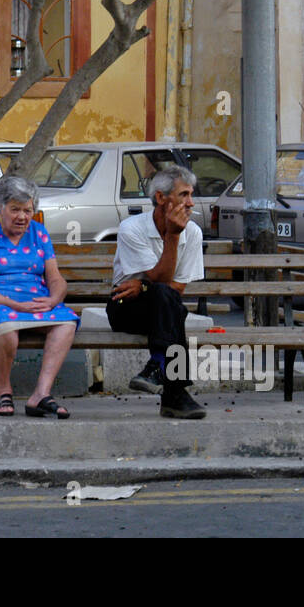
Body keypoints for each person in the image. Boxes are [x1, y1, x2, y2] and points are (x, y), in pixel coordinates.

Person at [0, 175, 80, 418]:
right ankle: (3, 390)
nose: (22, 217)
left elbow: (55, 278)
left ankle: (41, 395)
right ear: (1, 207)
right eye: (15, 209)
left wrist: (54, 299)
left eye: (28, 210)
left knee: (67, 322)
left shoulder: (39, 232)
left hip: (34, 304)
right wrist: (13, 304)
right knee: (6, 323)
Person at [105, 164, 206, 419]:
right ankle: (175, 392)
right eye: (184, 195)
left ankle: (157, 366)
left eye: (191, 195)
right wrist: (172, 237)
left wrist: (144, 285)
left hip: (163, 309)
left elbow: (178, 287)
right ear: (161, 198)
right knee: (170, 304)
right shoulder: (132, 228)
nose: (191, 203)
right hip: (124, 307)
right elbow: (161, 280)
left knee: (168, 301)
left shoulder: (192, 232)